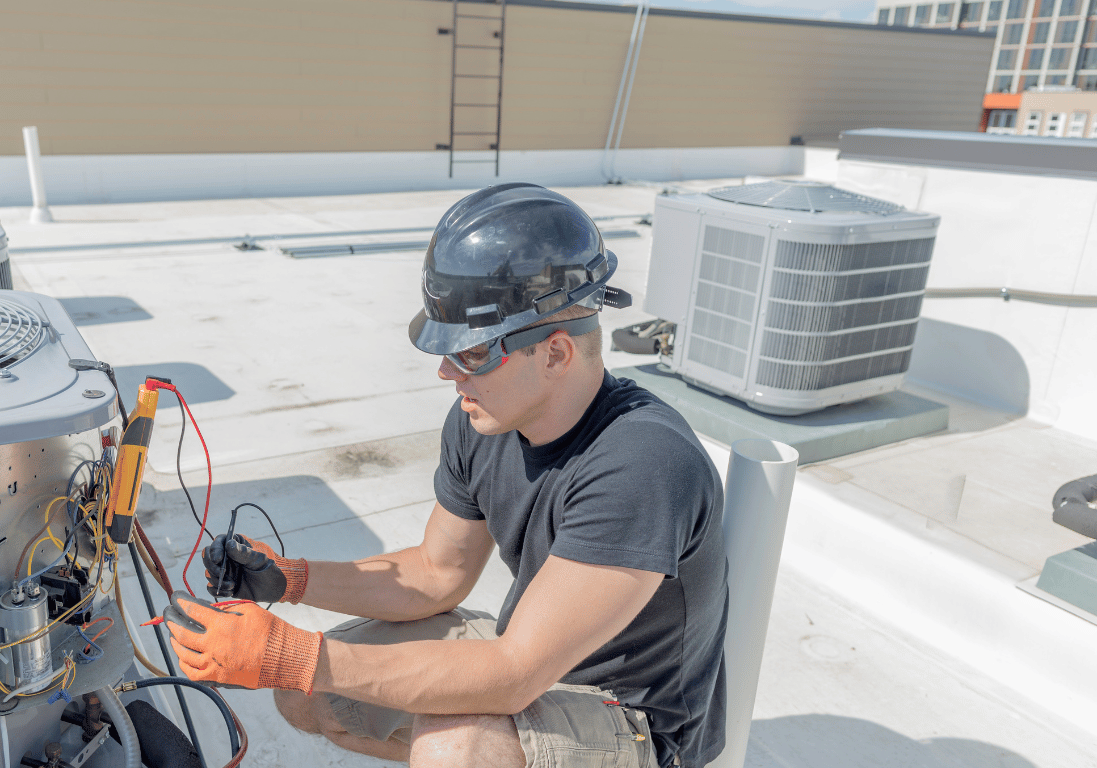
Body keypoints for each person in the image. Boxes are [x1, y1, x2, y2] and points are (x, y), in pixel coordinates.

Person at [165, 183, 728, 768]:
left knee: (454, 745)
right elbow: (438, 574)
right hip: (531, 658)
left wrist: (295, 653)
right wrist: (290, 580)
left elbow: (514, 672)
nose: (445, 371)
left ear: (556, 353)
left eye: (474, 353)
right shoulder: (484, 418)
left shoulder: (642, 463)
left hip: (635, 721)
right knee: (314, 698)